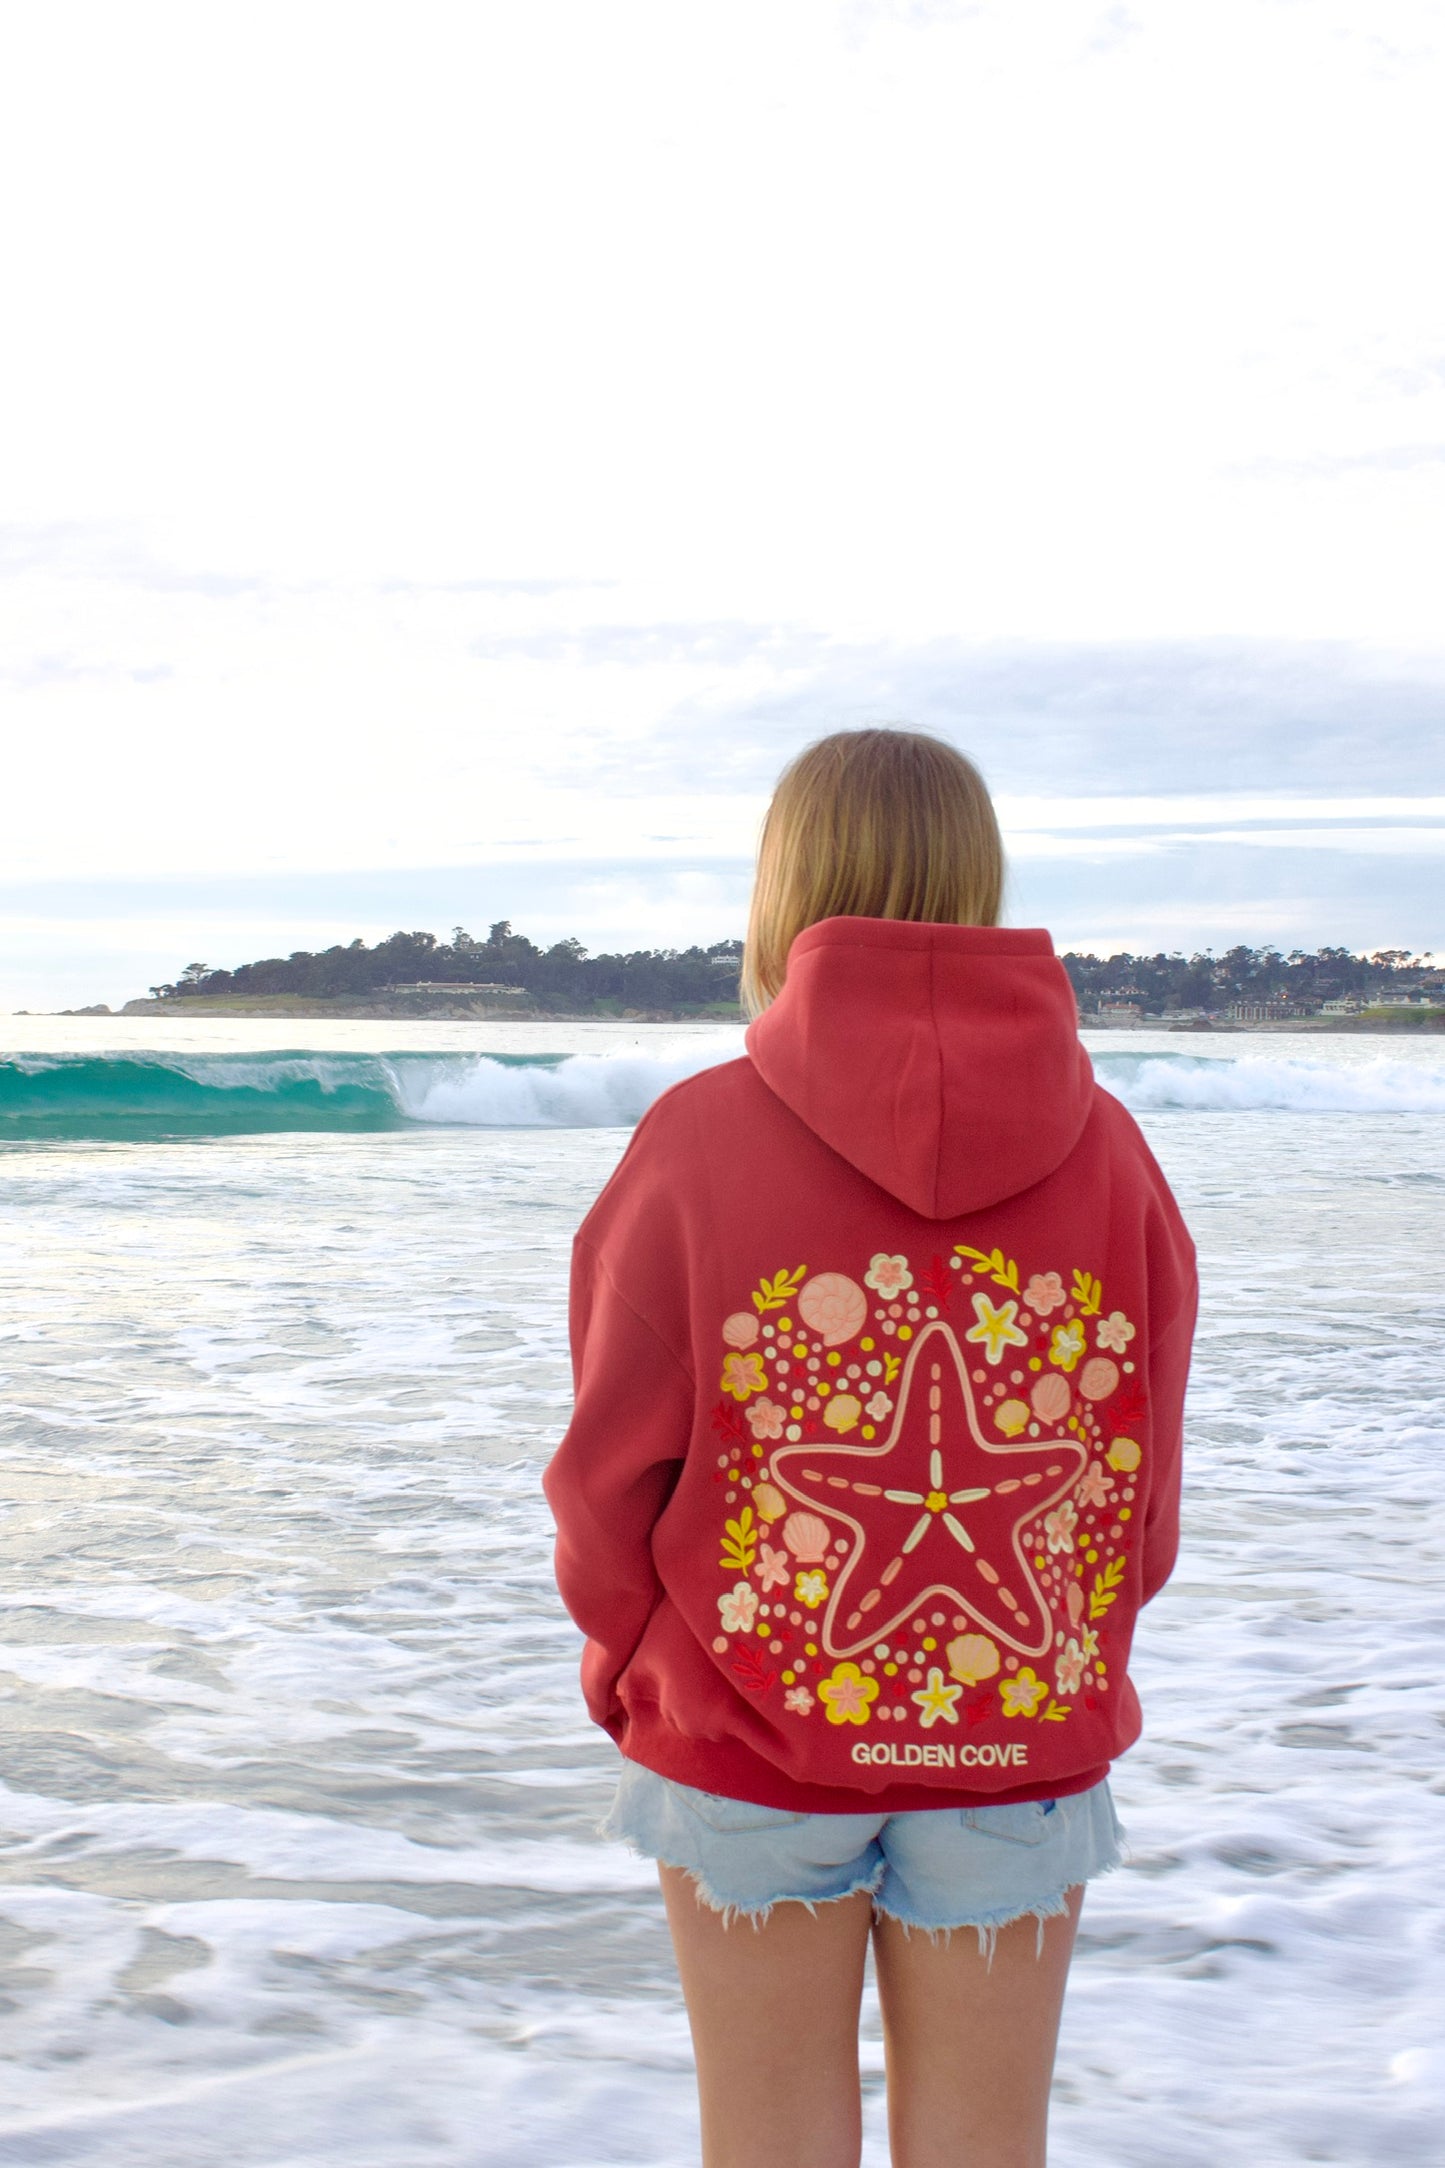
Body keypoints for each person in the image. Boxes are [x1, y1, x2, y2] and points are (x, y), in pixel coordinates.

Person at [543, 728, 1197, 2168]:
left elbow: (605, 1478)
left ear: (782, 887)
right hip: (1019, 1742)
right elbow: (1137, 1490)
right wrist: (1054, 1664)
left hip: (738, 1739)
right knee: (985, 2147)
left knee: (767, 2142)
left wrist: (634, 1669)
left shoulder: (692, 1140)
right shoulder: (1111, 1153)